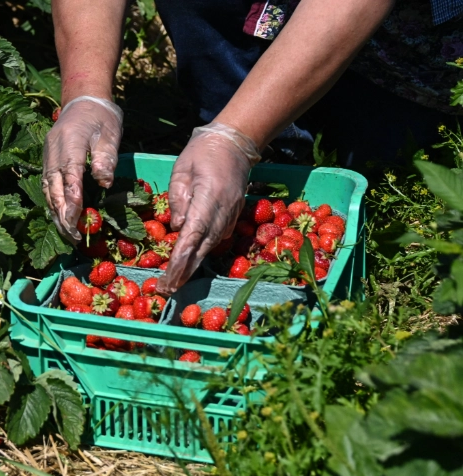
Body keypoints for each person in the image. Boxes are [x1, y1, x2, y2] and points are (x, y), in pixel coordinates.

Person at [42, 0, 463, 296]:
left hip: (398, 33)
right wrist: (85, 93)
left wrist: (236, 137)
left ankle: (260, 124)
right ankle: (262, 134)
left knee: (385, 150)